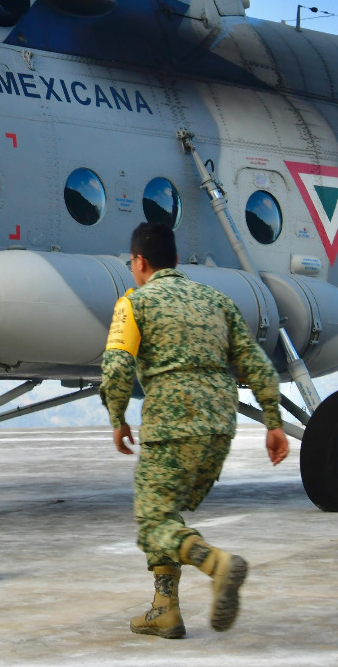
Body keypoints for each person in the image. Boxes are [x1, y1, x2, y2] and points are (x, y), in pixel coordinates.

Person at [100, 221, 289, 639]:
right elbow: (256, 362)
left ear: (139, 262)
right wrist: (273, 423)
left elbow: (115, 367)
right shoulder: (217, 301)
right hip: (221, 426)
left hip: (172, 423)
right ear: (176, 260)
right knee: (164, 510)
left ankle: (217, 564)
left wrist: (117, 419)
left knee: (153, 522)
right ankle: (164, 610)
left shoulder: (135, 302)